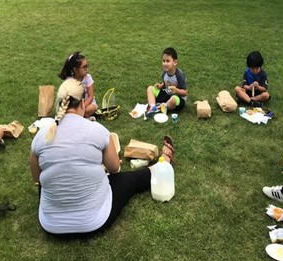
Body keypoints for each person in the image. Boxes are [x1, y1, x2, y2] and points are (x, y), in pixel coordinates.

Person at [29, 79, 175, 238]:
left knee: (48, 179)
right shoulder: (97, 131)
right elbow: (114, 169)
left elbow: (38, 179)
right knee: (128, 179)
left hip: (52, 225)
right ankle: (162, 164)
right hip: (94, 221)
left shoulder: (41, 136)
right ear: (83, 103)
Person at [145, 47, 188, 116]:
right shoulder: (165, 72)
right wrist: (160, 86)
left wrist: (176, 90)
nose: (165, 63)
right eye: (163, 61)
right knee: (150, 88)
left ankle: (162, 108)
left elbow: (185, 92)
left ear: (175, 62)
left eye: (168, 61)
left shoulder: (179, 75)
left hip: (178, 98)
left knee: (173, 100)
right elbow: (165, 84)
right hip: (167, 94)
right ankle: (152, 108)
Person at [58, 51, 98, 120]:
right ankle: (83, 117)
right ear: (75, 69)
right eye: (84, 67)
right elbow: (67, 97)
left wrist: (82, 107)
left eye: (87, 66)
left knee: (92, 108)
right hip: (73, 105)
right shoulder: (69, 80)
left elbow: (90, 96)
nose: (86, 69)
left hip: (86, 104)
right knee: (66, 111)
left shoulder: (88, 78)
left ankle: (79, 116)